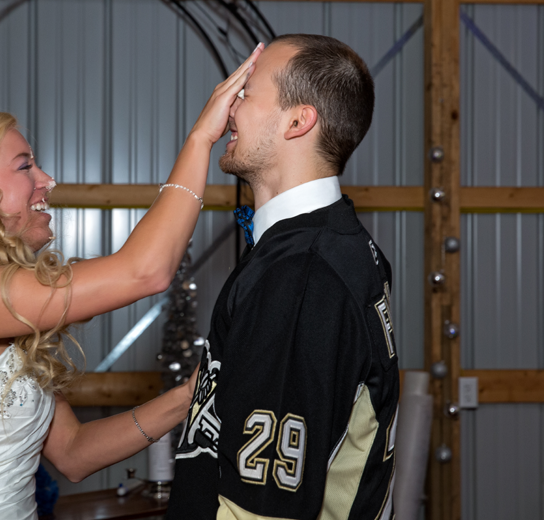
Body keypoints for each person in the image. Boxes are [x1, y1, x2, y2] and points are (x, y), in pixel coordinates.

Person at [0, 45, 264, 520]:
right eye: (25, 166)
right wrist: (200, 139)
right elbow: (145, 271)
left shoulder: (0, 308)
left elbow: (75, 453)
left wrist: (190, 395)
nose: (48, 179)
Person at [166, 34, 400, 520]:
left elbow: (263, 507)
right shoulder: (324, 244)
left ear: (298, 120)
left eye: (245, 92)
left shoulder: (302, 274)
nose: (226, 106)